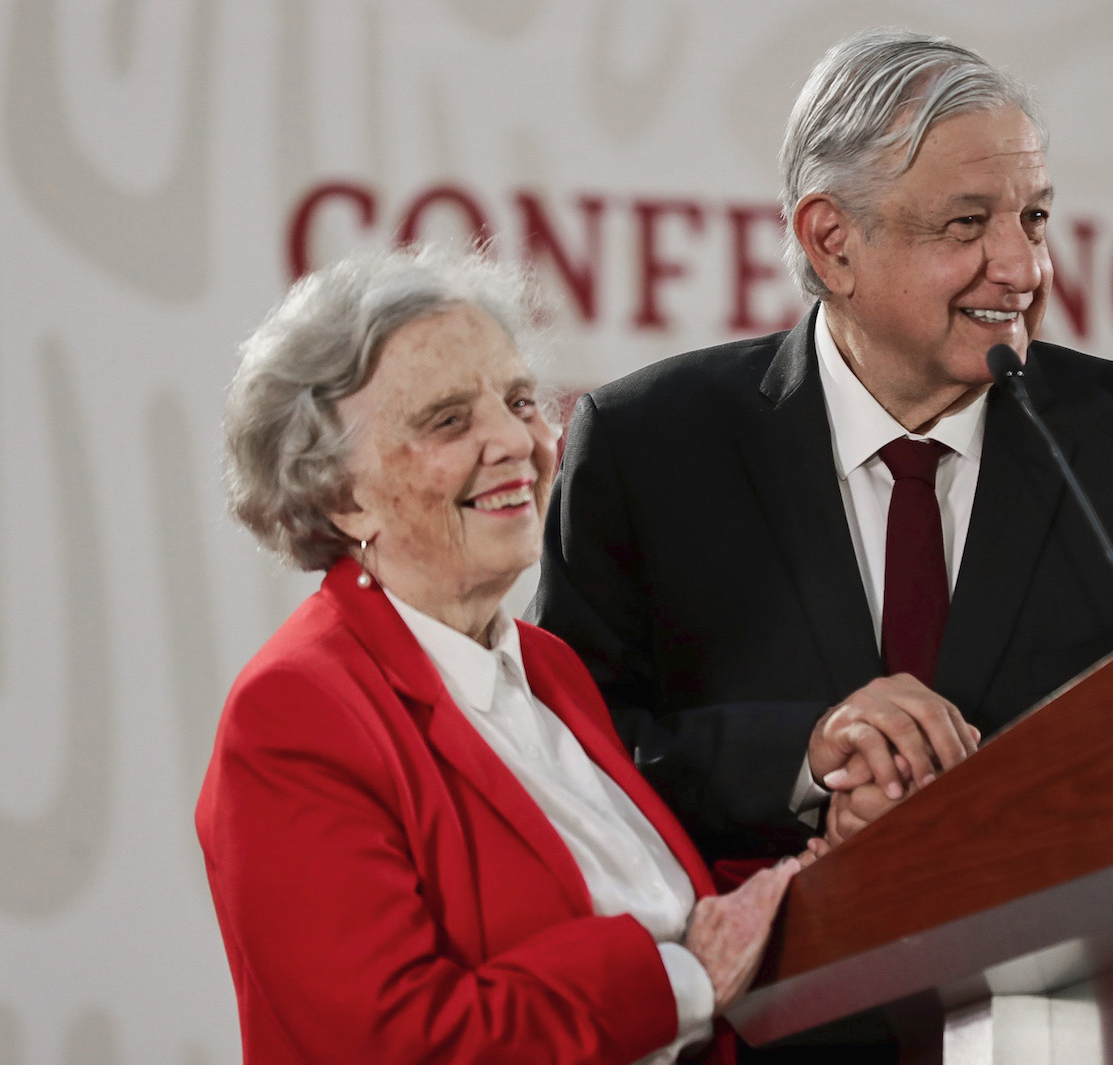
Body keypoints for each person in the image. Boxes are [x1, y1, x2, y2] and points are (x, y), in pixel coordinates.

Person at [531, 28, 1113, 866]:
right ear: (831, 241)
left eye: (1033, 218)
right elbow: (565, 753)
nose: (1022, 268)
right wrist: (803, 763)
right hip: (758, 945)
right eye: (966, 225)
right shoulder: (647, 449)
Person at [196, 247, 820, 1065]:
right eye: (447, 421)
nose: (515, 441)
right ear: (342, 497)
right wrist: (684, 984)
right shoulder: (296, 712)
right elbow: (397, 1043)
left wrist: (823, 868)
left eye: (520, 400)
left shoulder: (545, 665)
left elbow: (657, 910)